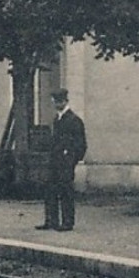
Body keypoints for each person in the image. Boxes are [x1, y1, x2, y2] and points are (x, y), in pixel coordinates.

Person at [40, 89, 88, 232]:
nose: (56, 104)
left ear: (65, 101)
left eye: (59, 101)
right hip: (55, 161)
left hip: (66, 163)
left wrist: (71, 160)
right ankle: (51, 220)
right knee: (51, 190)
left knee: (66, 191)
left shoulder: (74, 120)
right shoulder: (57, 119)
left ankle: (67, 222)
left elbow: (81, 144)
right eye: (55, 102)